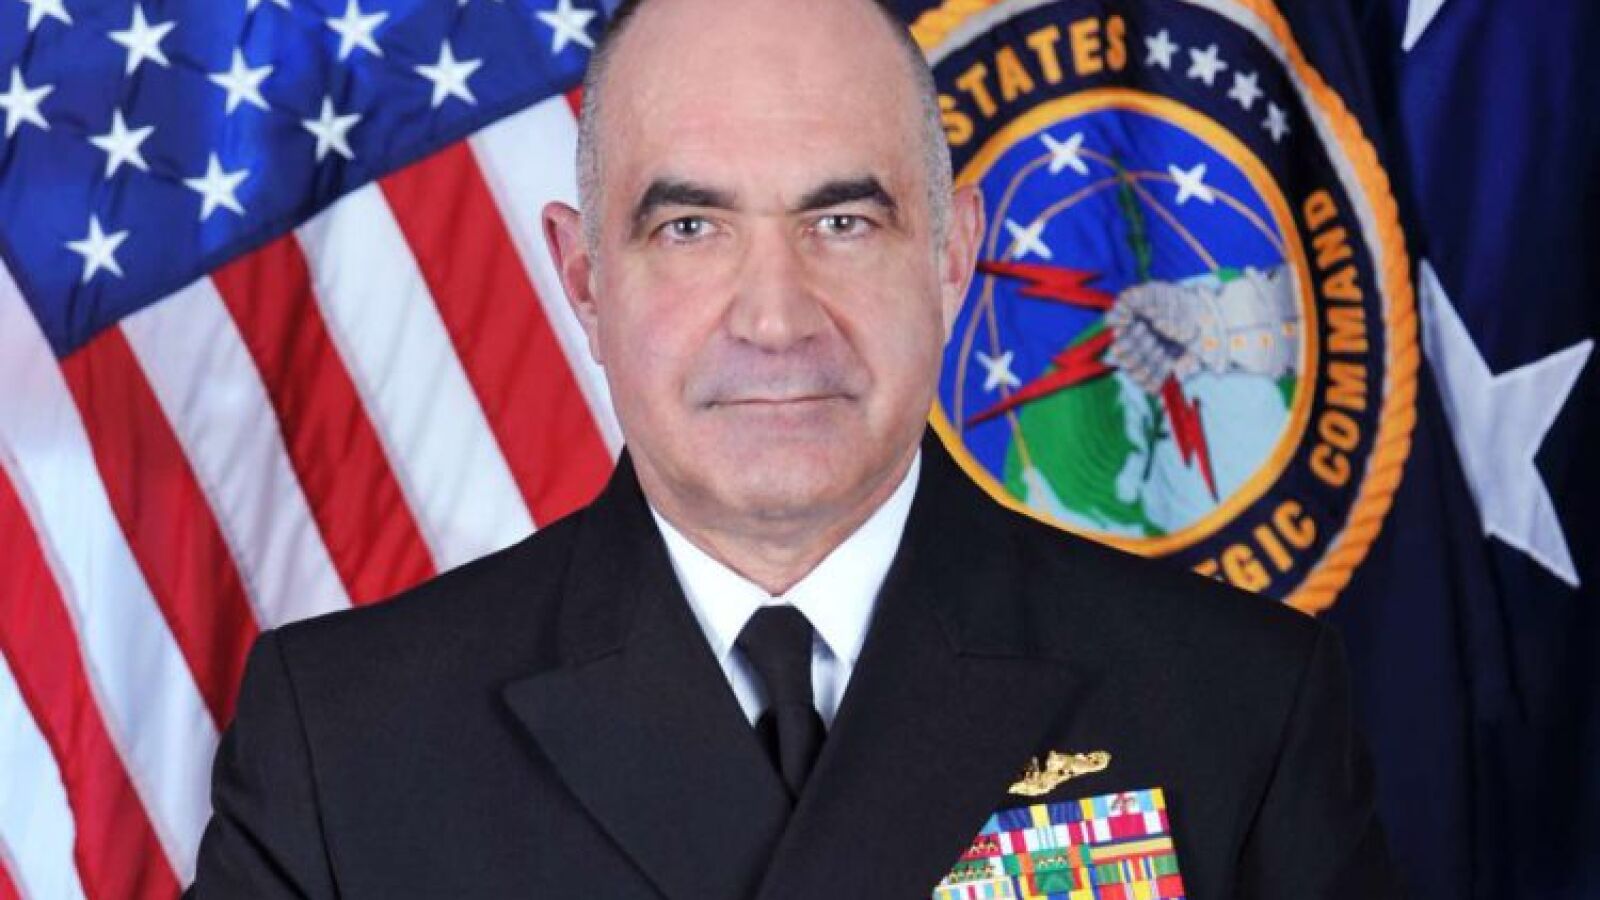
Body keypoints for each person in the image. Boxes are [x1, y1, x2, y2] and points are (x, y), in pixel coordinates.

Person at [187, 0, 1405, 896]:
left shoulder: (1237, 706)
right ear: (583, 278)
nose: (774, 319)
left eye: (843, 220)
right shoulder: (346, 743)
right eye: (689, 226)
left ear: (951, 257)